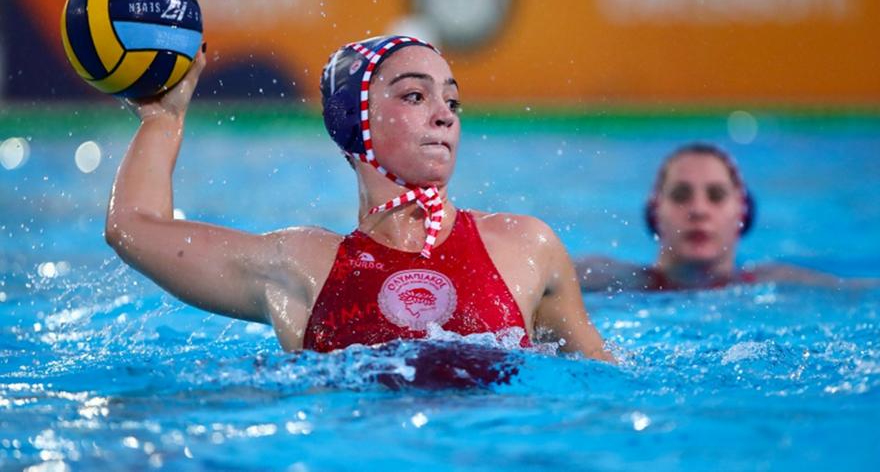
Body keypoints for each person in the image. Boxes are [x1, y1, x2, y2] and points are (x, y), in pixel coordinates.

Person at [105, 35, 614, 362]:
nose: (444, 114)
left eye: (452, 100)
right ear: (356, 121)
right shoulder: (301, 265)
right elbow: (132, 227)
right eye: (415, 96)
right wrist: (163, 119)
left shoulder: (525, 247)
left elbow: (604, 389)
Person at [577, 142, 868, 292]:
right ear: (654, 212)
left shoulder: (780, 284)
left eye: (716, 196)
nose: (699, 210)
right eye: (680, 195)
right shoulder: (606, 280)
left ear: (743, 212)